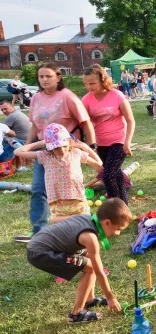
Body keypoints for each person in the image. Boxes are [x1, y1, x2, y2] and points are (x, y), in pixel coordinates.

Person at [14, 64, 97, 243]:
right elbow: (35, 126)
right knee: (38, 189)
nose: (44, 80)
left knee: (69, 189)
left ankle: (79, 222)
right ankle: (39, 231)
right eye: (41, 76)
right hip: (45, 150)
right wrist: (28, 146)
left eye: (48, 76)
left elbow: (85, 122)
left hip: (66, 151)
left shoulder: (67, 96)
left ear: (58, 77)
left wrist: (91, 146)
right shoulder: (36, 98)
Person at [26, 198, 131, 323]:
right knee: (91, 269)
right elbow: (99, 271)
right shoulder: (90, 237)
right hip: (41, 253)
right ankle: (76, 314)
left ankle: (89, 299)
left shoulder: (89, 219)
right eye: (118, 229)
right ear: (107, 223)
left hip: (39, 246)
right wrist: (110, 298)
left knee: (87, 262)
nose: (118, 233)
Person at [15, 124, 102, 223]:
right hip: (57, 202)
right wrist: (42, 143)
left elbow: (100, 164)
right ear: (49, 147)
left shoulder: (76, 153)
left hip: (78, 200)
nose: (62, 150)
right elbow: (17, 152)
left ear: (69, 142)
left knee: (83, 224)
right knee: (57, 224)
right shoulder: (46, 156)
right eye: (56, 148)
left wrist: (86, 147)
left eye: (64, 146)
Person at [82, 65, 135, 204]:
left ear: (102, 80)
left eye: (92, 83)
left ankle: (114, 207)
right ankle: (123, 205)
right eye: (86, 84)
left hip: (119, 141)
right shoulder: (86, 100)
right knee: (116, 175)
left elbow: (130, 121)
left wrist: (127, 143)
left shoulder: (117, 95)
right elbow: (84, 123)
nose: (89, 87)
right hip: (101, 143)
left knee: (108, 175)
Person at [0, 100, 31, 170]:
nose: (4, 111)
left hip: (22, 141)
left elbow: (4, 132)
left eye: (5, 108)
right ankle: (19, 165)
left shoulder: (11, 117)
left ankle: (20, 165)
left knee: (9, 141)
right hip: (28, 139)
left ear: (12, 106)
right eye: (2, 110)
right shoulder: (18, 113)